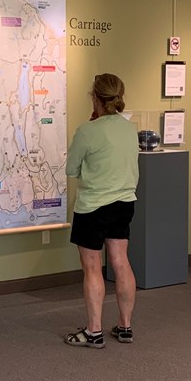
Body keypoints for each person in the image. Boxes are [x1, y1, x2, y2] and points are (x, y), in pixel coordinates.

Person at [63, 73, 140, 349]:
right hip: (124, 204)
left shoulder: (87, 131)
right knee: (121, 261)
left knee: (92, 267)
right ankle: (125, 327)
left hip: (93, 207)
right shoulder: (129, 129)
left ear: (95, 97)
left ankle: (94, 331)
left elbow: (71, 169)